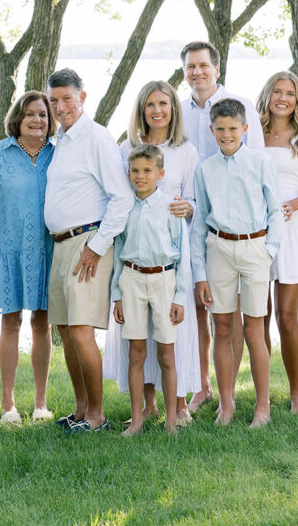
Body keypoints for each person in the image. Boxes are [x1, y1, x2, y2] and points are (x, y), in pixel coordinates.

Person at [104, 81, 200, 426]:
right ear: (141, 109)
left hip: (169, 248)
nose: (157, 110)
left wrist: (183, 208)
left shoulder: (185, 150)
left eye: (164, 103)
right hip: (134, 253)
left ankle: (179, 403)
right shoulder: (127, 147)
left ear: (173, 108)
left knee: (171, 337)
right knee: (137, 341)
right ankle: (146, 405)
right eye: (150, 104)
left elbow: (195, 200)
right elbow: (119, 196)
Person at [44, 68, 132, 433]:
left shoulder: (96, 138)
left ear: (83, 98)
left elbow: (121, 198)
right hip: (61, 245)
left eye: (67, 98)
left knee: (81, 332)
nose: (60, 106)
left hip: (87, 243)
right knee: (65, 331)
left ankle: (97, 416)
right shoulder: (60, 140)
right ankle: (80, 410)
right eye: (54, 100)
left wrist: (96, 248)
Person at [179, 40, 264, 411]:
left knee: (236, 315)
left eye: (203, 65)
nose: (197, 72)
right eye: (190, 67)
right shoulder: (179, 112)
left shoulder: (240, 108)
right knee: (203, 308)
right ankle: (203, 385)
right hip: (193, 222)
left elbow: (257, 169)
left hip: (238, 229)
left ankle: (231, 388)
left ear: (217, 68)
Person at [192, 99, 283, 428]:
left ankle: (262, 407)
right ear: (212, 130)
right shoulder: (205, 169)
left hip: (255, 248)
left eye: (233, 128)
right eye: (220, 129)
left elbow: (276, 210)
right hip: (219, 250)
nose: (226, 134)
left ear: (245, 129)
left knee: (254, 330)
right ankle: (227, 405)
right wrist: (200, 274)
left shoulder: (260, 162)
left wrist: (269, 249)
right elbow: (199, 223)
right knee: (223, 329)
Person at [0, 91, 56, 425]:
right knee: (11, 322)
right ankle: (8, 405)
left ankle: (40, 404)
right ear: (18, 119)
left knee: (42, 323)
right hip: (10, 250)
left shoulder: (59, 154)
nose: (37, 121)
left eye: (44, 115)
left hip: (49, 249)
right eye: (31, 114)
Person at [112, 145, 190, 436]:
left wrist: (180, 296)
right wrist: (116, 295)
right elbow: (119, 250)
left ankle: (171, 420)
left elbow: (182, 253)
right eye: (135, 171)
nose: (140, 176)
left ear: (161, 173)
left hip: (164, 281)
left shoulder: (171, 206)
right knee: (136, 353)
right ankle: (137, 420)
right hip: (131, 280)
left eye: (147, 170)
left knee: (167, 354)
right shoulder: (125, 207)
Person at [256, 72, 298, 413]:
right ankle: (263, 396)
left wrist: (292, 205)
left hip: (291, 228)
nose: (283, 98)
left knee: (286, 315)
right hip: (255, 229)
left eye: (291, 94)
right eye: (278, 91)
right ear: (268, 94)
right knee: (258, 315)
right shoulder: (253, 132)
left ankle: (297, 395)